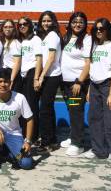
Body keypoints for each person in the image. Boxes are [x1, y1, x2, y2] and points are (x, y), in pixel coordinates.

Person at [84, 18, 111, 171]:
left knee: (110, 122)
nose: (98, 31)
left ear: (107, 30)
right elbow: (93, 69)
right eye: (96, 28)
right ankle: (99, 150)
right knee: (94, 118)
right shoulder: (94, 46)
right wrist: (90, 89)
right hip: (94, 86)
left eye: (102, 29)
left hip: (108, 86)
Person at [59, 12, 91, 156]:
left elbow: (88, 64)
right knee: (71, 109)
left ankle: (78, 144)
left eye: (81, 22)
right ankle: (73, 136)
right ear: (70, 23)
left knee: (76, 111)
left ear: (85, 24)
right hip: (65, 82)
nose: (77, 24)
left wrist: (79, 81)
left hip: (76, 83)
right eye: (74, 21)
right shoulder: (66, 38)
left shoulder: (87, 39)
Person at [35, 11, 62, 153]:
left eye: (48, 21)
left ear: (53, 22)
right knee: (48, 108)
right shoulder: (45, 37)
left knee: (45, 109)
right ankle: (51, 139)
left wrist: (41, 76)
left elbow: (51, 58)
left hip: (51, 76)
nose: (45, 23)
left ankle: (46, 143)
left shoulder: (53, 36)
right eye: (43, 21)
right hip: (46, 76)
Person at [18, 16, 42, 145]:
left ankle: (33, 136)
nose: (22, 26)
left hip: (31, 73)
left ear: (30, 25)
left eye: (25, 23)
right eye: (20, 24)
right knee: (22, 105)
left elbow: (39, 59)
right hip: (21, 75)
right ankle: (24, 133)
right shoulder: (20, 40)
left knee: (31, 106)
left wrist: (36, 78)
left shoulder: (36, 39)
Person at [0, 19, 22, 92]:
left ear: (14, 29)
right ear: (2, 29)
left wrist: (11, 80)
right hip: (3, 73)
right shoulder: (2, 42)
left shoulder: (15, 43)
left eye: (10, 27)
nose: (8, 29)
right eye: (5, 27)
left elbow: (17, 63)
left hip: (12, 75)